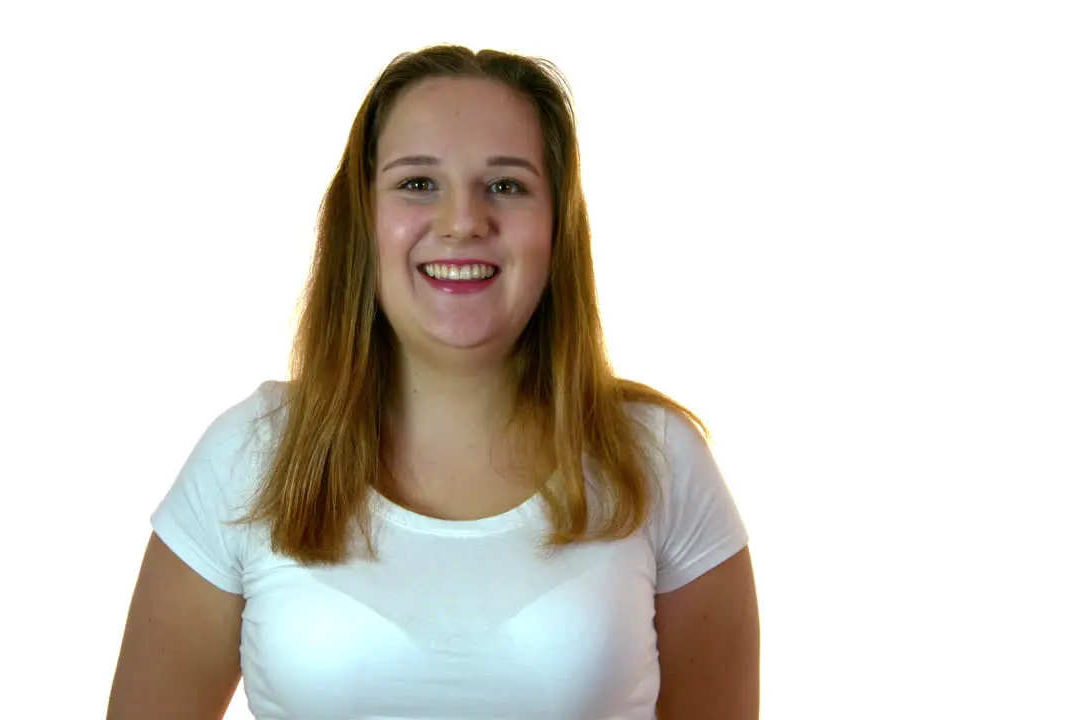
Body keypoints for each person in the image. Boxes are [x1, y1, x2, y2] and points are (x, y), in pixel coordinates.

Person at [108, 44, 759, 720]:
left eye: (506, 185)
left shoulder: (656, 459)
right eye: (418, 183)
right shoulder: (251, 456)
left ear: (557, 225)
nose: (462, 223)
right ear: (364, 218)